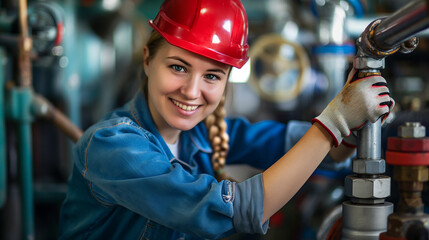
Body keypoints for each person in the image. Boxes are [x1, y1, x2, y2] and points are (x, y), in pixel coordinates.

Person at [59, 0, 394, 239]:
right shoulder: (111, 147)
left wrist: (350, 128)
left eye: (212, 76)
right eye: (178, 67)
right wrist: (334, 122)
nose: (192, 91)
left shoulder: (202, 134)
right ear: (148, 60)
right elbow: (235, 212)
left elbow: (312, 152)